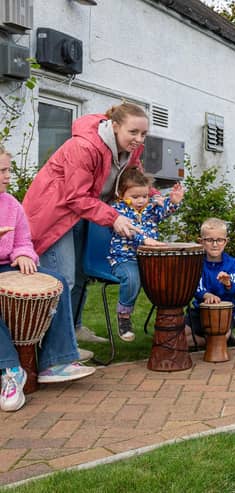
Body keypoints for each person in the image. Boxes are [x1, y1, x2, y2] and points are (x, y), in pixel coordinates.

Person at [22, 102, 149, 350]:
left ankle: (74, 329)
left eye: (143, 134)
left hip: (85, 213)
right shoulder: (84, 147)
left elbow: (133, 181)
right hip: (56, 214)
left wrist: (154, 197)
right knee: (63, 279)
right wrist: (113, 218)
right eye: (133, 132)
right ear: (114, 126)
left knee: (81, 274)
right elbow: (75, 197)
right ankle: (53, 347)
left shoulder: (130, 150)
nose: (138, 139)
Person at [0, 146, 95, 412]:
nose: (8, 176)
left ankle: (57, 361)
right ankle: (11, 369)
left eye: (8, 169)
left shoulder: (12, 205)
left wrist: (22, 254)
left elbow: (23, 241)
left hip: (8, 268)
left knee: (59, 282)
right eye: (2, 171)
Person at [108, 167, 183, 342]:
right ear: (121, 194)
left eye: (144, 196)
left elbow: (162, 213)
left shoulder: (149, 208)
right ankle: (124, 316)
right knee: (133, 278)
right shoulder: (117, 211)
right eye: (135, 197)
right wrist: (144, 240)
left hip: (147, 259)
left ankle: (167, 316)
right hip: (124, 258)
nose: (141, 200)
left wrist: (173, 202)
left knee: (171, 277)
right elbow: (127, 232)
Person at [185, 218, 235, 347]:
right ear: (201, 242)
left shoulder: (232, 263)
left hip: (225, 313)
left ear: (226, 242)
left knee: (219, 337)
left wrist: (228, 284)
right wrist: (206, 295)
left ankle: (221, 339)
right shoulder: (197, 262)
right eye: (209, 240)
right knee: (180, 339)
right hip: (199, 312)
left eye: (219, 240)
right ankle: (213, 342)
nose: (215, 244)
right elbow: (195, 286)